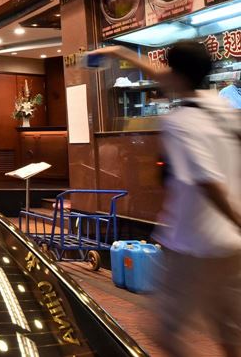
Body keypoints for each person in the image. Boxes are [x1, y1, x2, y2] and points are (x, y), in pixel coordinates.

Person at [91, 42, 241, 357]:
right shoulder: (221, 105)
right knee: (230, 332)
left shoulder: (180, 122)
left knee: (164, 334)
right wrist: (120, 54)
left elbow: (208, 182)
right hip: (231, 247)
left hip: (193, 247)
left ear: (174, 74)